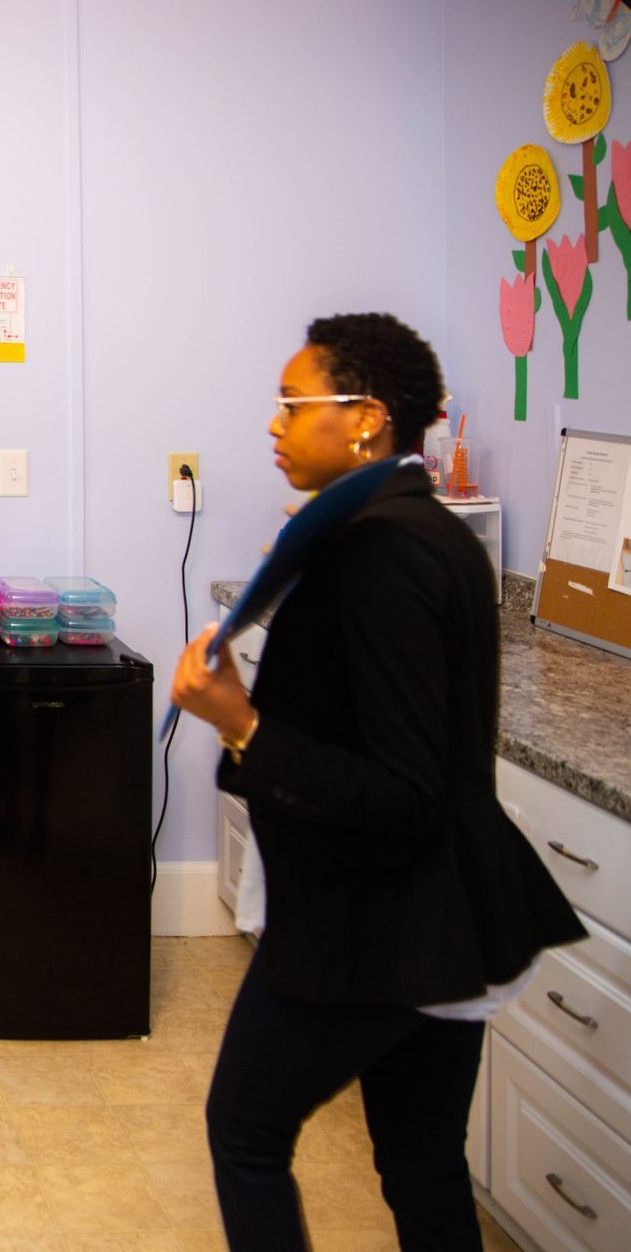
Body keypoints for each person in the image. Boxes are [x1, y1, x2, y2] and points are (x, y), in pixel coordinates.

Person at [170, 312, 585, 1250]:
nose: (274, 426)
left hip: (385, 923)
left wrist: (242, 724)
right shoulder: (414, 529)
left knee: (245, 1129)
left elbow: (406, 794)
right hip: (445, 921)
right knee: (423, 1166)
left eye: (292, 404)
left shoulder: (384, 554)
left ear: (364, 417)